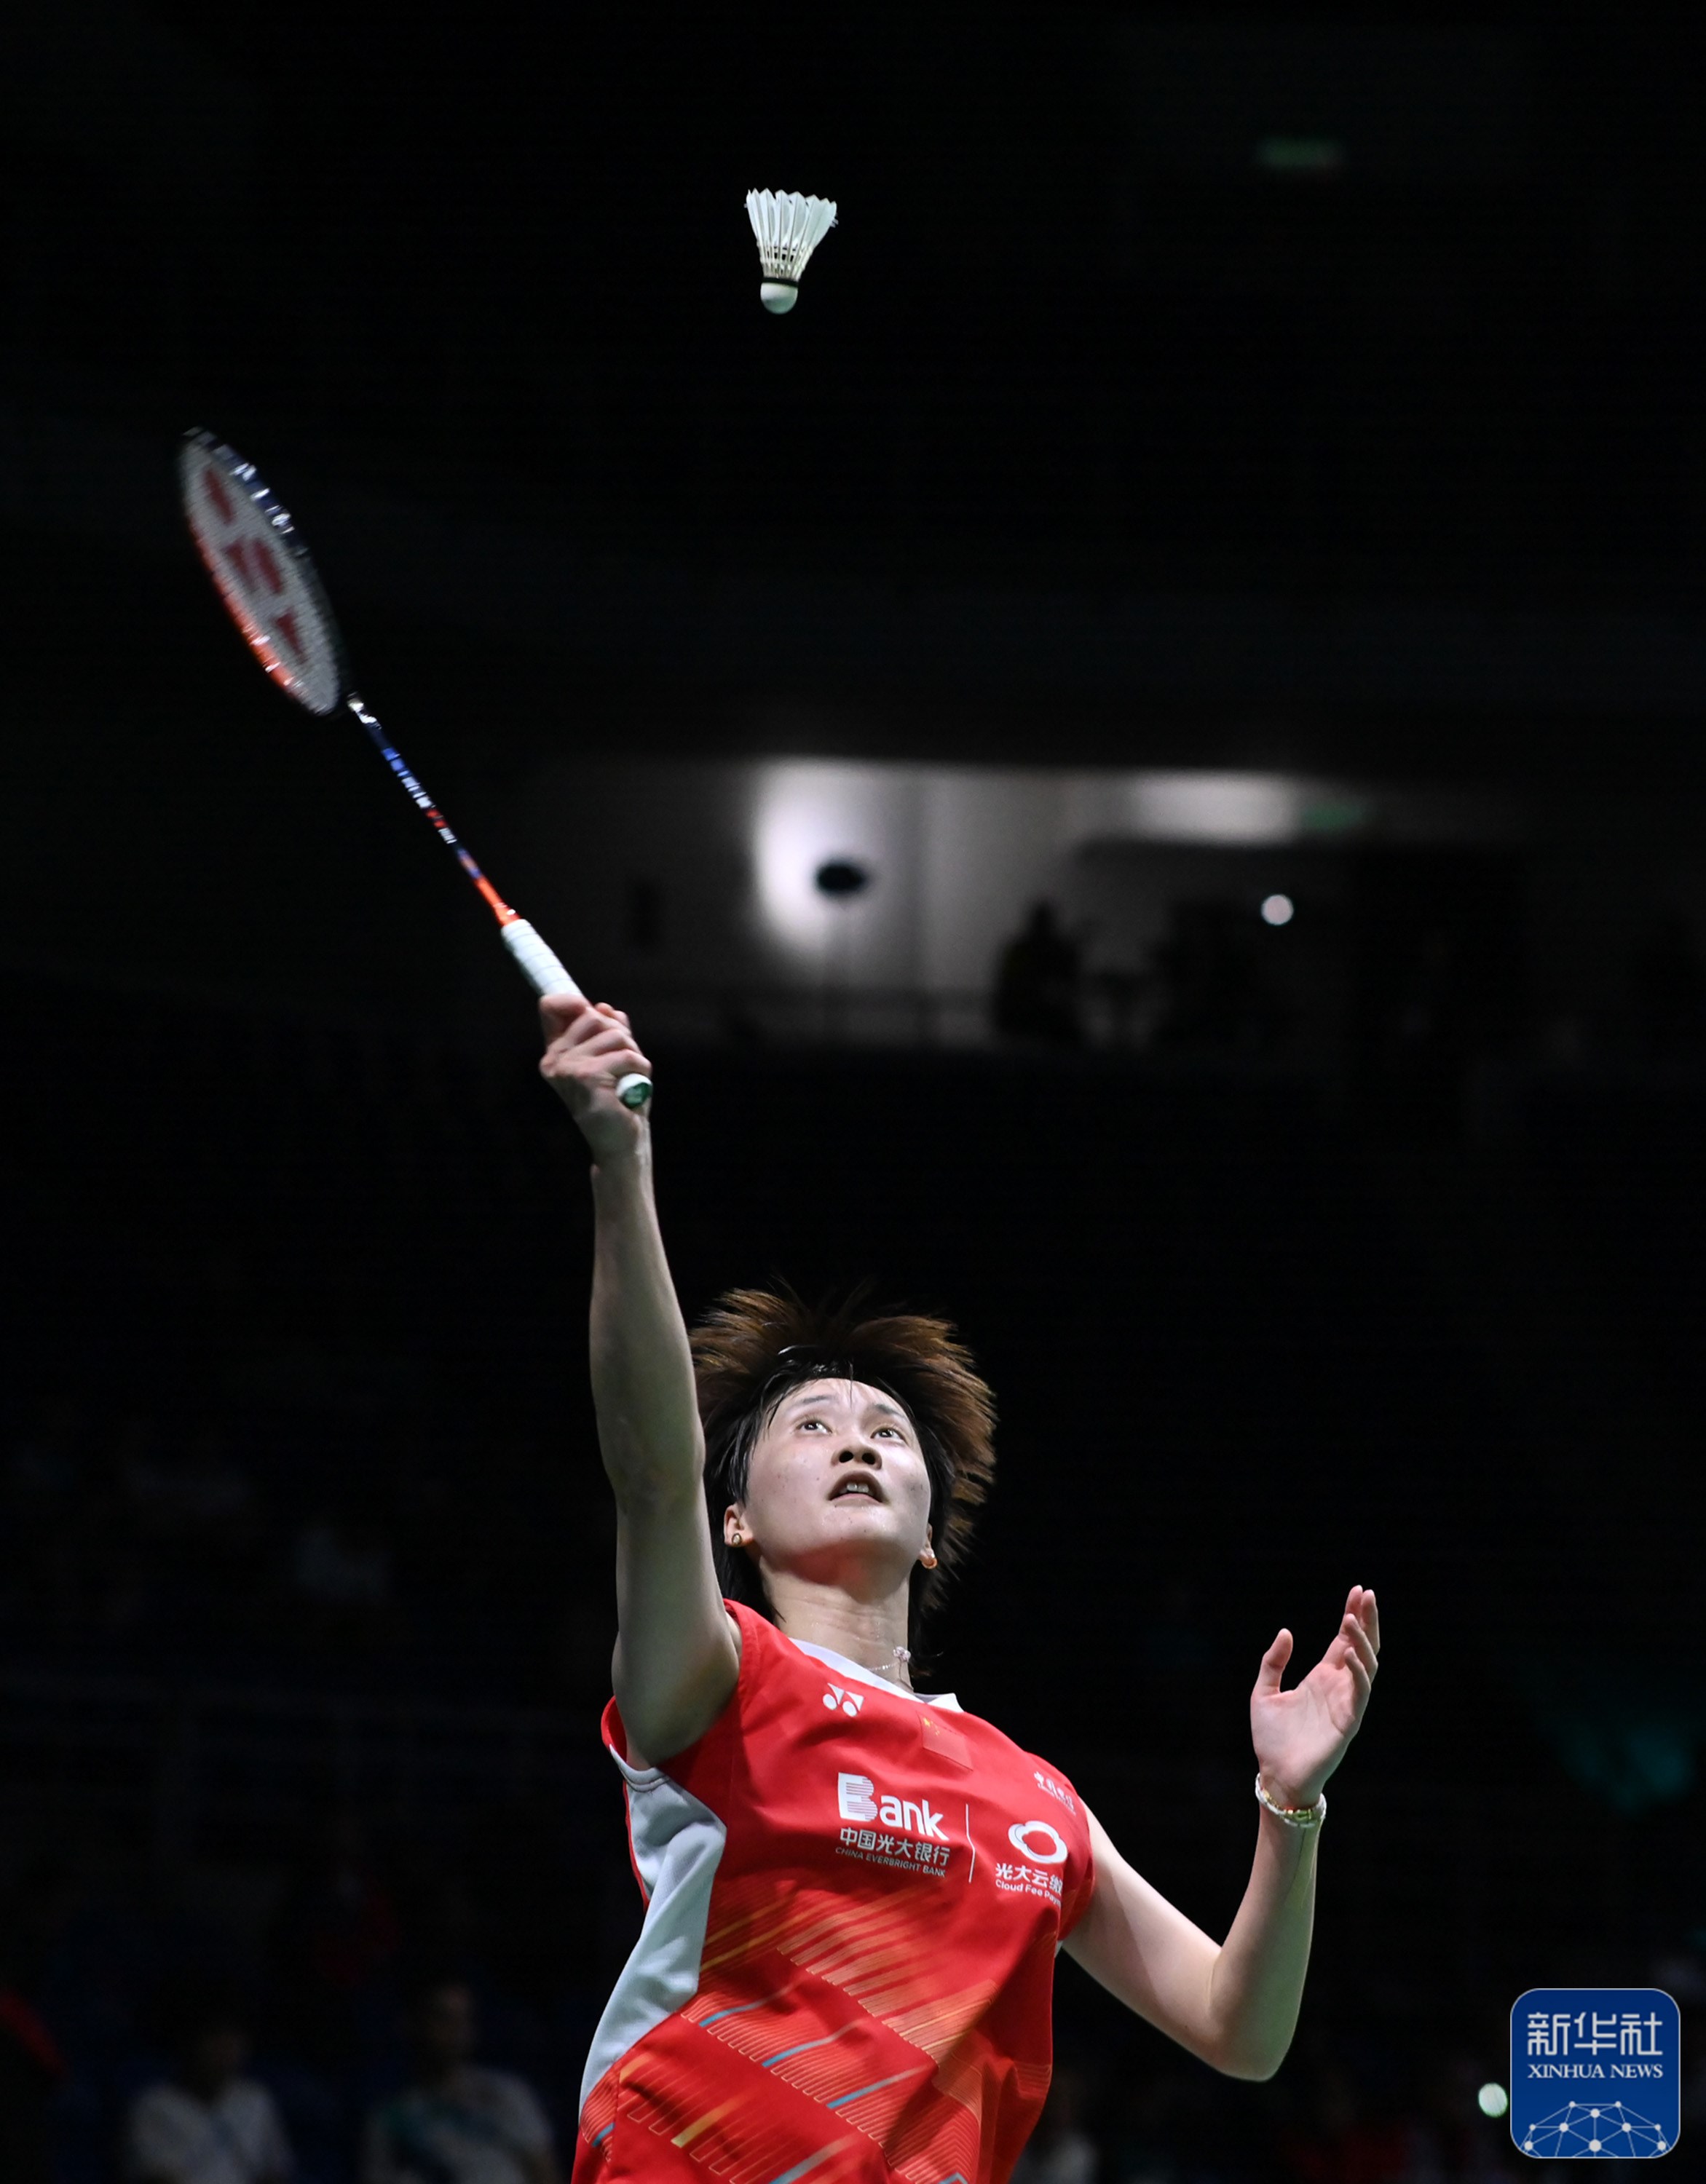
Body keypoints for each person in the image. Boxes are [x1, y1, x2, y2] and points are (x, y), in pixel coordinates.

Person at [539, 996, 1382, 2184]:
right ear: (732, 1518)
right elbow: (648, 1465)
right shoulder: (720, 1678)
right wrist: (620, 1163)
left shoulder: (1032, 1798)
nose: (856, 1441)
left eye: (887, 1432)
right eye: (811, 1425)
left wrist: (1287, 1810)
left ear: (931, 1529)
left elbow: (1238, 2032)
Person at [362, 1974, 561, 2184]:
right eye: (443, 2018)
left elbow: (544, 2173)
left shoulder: (506, 2093)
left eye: (464, 2019)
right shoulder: (390, 2120)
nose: (457, 2031)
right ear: (411, 2023)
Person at [122, 1987, 291, 2184]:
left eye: (233, 2038)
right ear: (190, 2043)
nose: (225, 2049)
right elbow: (154, 2177)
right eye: (214, 2037)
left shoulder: (256, 2099)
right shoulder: (153, 2106)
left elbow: (275, 2171)